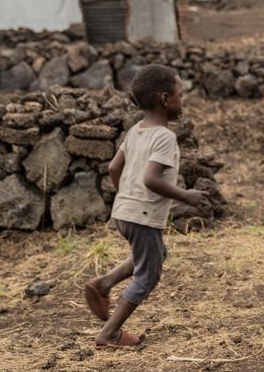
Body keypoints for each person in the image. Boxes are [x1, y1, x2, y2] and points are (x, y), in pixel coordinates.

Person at [83, 65, 204, 349]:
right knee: (149, 274)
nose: (182, 101)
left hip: (124, 211)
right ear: (165, 99)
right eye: (180, 95)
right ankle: (109, 333)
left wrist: (125, 195)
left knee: (156, 253)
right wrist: (186, 196)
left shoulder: (136, 130)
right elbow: (151, 179)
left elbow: (114, 167)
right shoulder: (164, 136)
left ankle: (103, 284)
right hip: (143, 215)